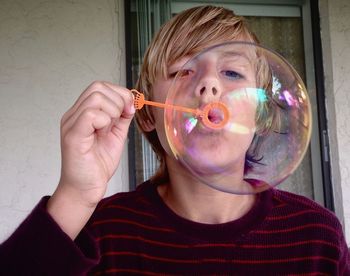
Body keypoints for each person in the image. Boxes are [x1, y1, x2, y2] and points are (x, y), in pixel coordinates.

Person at [0, 5, 349, 275]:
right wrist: (74, 195)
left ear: (257, 116)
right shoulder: (99, 235)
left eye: (231, 72)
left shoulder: (316, 237)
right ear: (149, 114)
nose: (209, 85)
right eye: (183, 71)